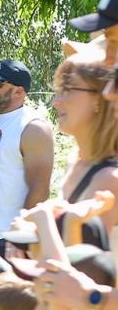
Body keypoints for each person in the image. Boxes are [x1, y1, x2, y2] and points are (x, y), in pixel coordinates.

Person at [0, 59, 55, 251]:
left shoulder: (33, 128)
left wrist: (19, 238)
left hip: (7, 240)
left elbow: (40, 191)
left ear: (19, 91)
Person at [50, 52, 118, 243]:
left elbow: (78, 266)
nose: (56, 101)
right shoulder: (76, 161)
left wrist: (39, 225)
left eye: (68, 89)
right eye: (58, 91)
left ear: (100, 98)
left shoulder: (109, 180)